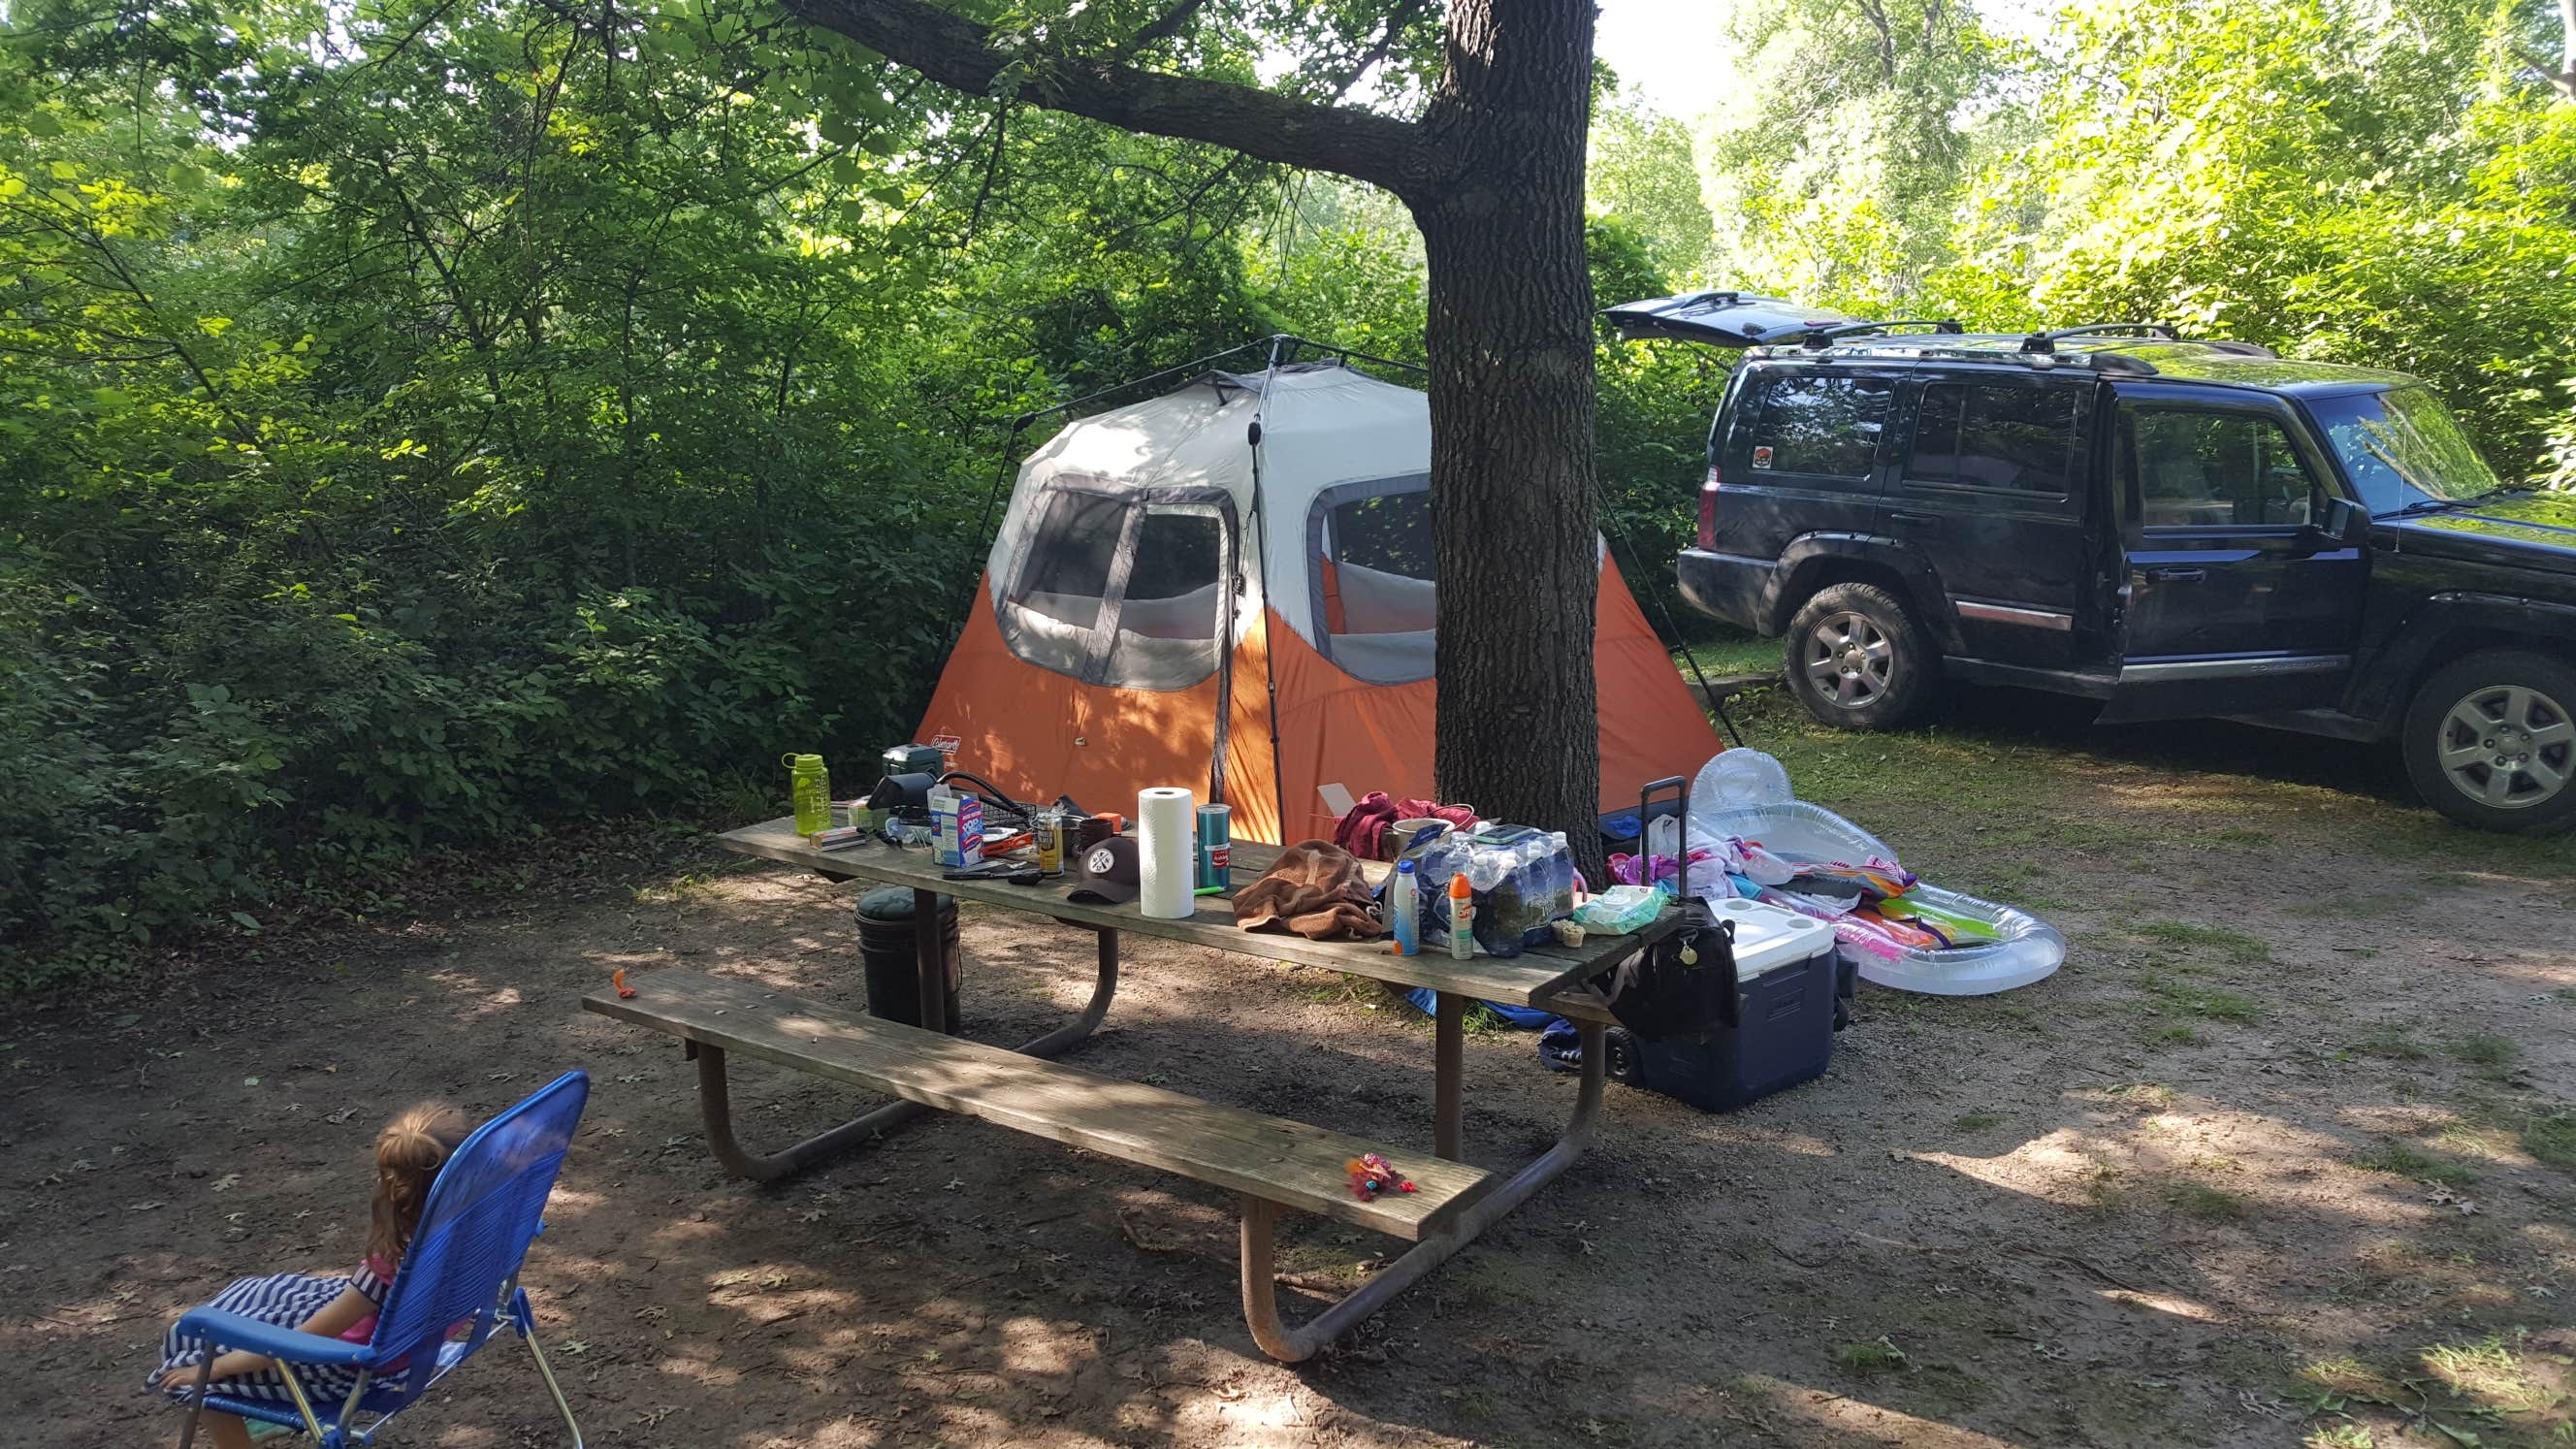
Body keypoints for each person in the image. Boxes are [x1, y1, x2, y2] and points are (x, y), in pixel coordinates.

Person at [148, 1104, 468, 1448]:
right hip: (411, 1337)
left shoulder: (393, 1267)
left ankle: (244, 1421)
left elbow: (302, 1342)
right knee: (251, 1294)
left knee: (192, 1344)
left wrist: (215, 1369)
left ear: (393, 1188)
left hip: (356, 1365)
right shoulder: (490, 1220)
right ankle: (261, 1396)